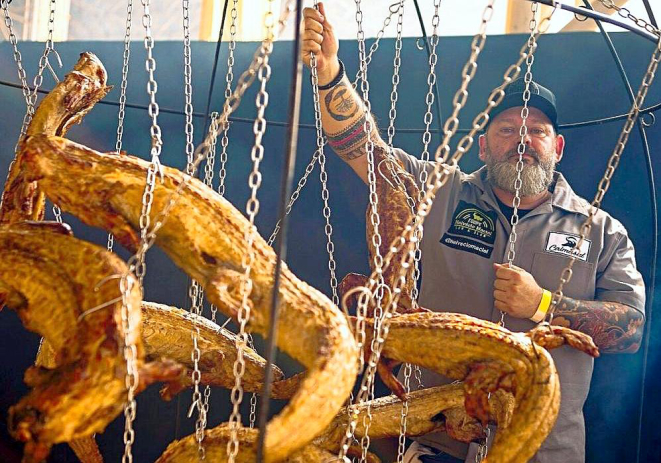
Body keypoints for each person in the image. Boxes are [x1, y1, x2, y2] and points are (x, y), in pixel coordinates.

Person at [301, 4, 646, 463]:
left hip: (543, 449)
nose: (522, 140)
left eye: (537, 131)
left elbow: (632, 329)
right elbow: (362, 148)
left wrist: (542, 303)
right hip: (437, 440)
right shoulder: (441, 191)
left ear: (557, 147)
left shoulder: (602, 232)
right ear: (483, 145)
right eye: (507, 129)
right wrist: (329, 74)